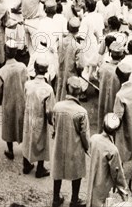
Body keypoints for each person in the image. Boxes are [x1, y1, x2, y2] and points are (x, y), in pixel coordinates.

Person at [51, 76, 90, 207]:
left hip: (59, 144)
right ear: (79, 92)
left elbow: (54, 124)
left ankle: (56, 198)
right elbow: (84, 133)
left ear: (67, 88)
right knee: (76, 172)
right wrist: (86, 146)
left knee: (57, 170)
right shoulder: (81, 112)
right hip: (75, 146)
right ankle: (74, 199)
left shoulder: (57, 106)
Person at [21, 54, 54, 178]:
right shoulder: (48, 89)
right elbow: (50, 109)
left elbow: (25, 98)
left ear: (34, 69)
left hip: (29, 115)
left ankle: (26, 165)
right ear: (46, 70)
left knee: (27, 138)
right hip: (41, 118)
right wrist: (51, 121)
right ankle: (40, 169)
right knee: (41, 142)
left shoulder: (28, 84)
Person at [0, 40, 27, 160]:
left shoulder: (2, 71)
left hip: (8, 102)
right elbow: (26, 83)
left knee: (8, 124)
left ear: (5, 51)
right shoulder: (22, 67)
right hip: (21, 101)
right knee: (22, 124)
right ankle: (25, 150)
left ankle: (10, 150)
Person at [87, 113, 128, 207]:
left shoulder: (94, 138)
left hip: (93, 178)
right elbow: (117, 174)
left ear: (103, 125)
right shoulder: (112, 149)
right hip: (103, 184)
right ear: (116, 130)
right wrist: (124, 192)